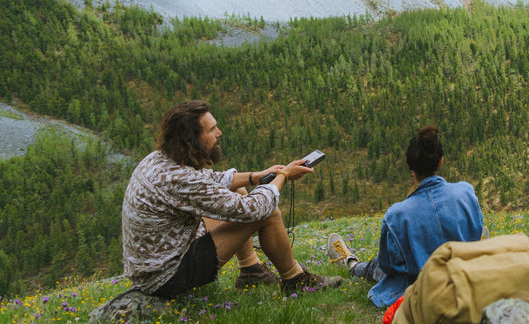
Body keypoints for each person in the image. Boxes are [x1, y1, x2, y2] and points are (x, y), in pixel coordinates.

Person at [121, 100, 342, 298]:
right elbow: (255, 209)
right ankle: (296, 280)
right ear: (192, 139)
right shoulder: (179, 178)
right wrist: (283, 176)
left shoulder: (161, 159)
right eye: (212, 129)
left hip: (157, 261)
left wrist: (256, 176)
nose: (219, 132)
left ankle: (251, 270)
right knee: (268, 213)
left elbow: (209, 180)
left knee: (239, 189)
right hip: (165, 276)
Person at [325, 126, 484, 308]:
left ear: (410, 166)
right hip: (461, 275)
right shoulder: (466, 191)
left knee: (377, 266)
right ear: (440, 161)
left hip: (420, 287)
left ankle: (351, 264)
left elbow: (388, 265)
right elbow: (476, 228)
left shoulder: (396, 214)